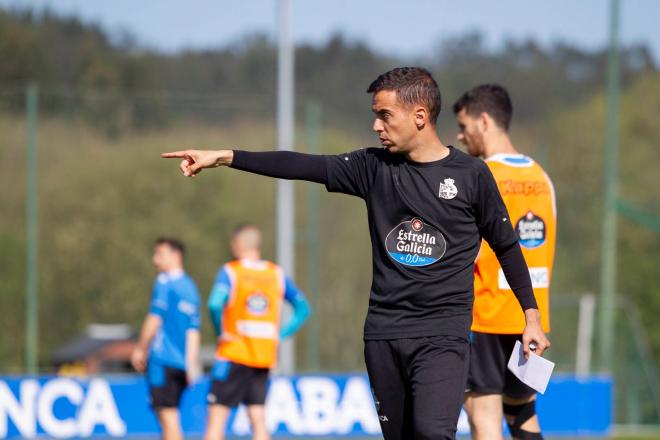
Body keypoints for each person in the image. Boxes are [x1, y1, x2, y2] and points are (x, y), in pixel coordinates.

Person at [162, 67, 550, 440]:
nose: (376, 126)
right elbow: (300, 164)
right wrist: (226, 156)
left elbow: (507, 246)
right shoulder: (373, 168)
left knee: (433, 433)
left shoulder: (471, 175)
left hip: (443, 334)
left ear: (419, 116)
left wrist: (530, 316)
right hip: (383, 334)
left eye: (384, 115)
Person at [453, 84, 556, 440]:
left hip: (486, 317)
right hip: (531, 321)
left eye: (464, 126)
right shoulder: (542, 178)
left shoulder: (480, 176)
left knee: (484, 417)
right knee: (522, 412)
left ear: (484, 121)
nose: (460, 136)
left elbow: (468, 251)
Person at [204, 224, 311, 440]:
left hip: (233, 354)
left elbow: (215, 304)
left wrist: (221, 331)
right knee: (258, 418)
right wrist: (280, 336)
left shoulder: (231, 271)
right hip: (263, 357)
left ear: (238, 245)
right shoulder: (276, 274)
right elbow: (303, 309)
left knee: (217, 419)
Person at [131, 238, 201, 440]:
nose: (155, 260)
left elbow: (155, 318)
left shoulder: (165, 282)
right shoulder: (190, 287)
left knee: (167, 417)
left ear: (176, 255)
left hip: (162, 360)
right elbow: (193, 330)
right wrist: (190, 364)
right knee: (171, 416)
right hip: (181, 363)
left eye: (160, 254)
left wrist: (141, 348)